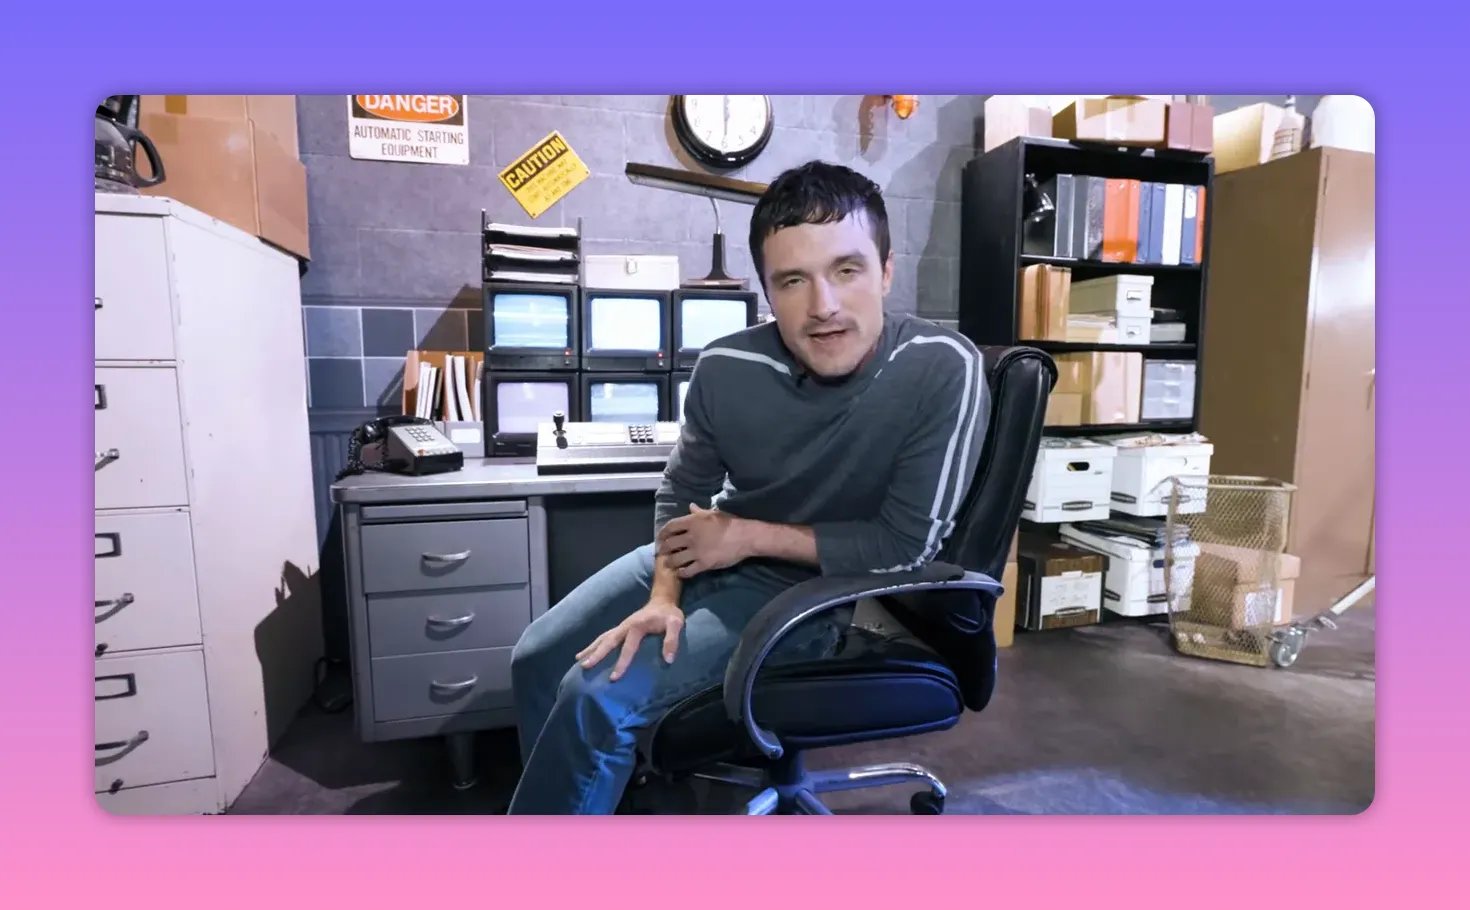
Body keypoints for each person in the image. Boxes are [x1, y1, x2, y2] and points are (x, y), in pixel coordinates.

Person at [506, 160, 990, 814]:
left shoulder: (941, 367)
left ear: (887, 271)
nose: (823, 307)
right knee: (535, 657)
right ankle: (587, 799)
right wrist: (664, 597)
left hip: (829, 595)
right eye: (793, 281)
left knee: (597, 698)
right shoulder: (726, 365)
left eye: (847, 270)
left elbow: (904, 546)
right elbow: (683, 494)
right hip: (718, 557)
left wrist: (744, 537)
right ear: (768, 292)